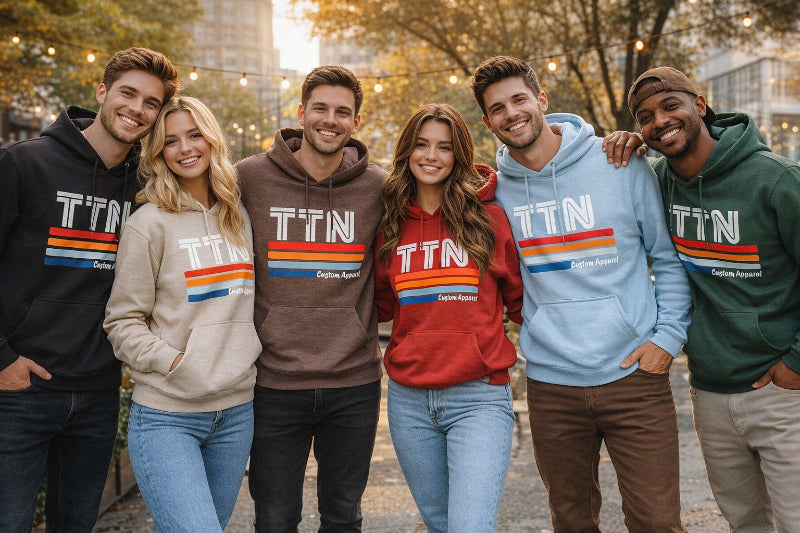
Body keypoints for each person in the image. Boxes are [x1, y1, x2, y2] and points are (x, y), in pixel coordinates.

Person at [470, 55, 693, 533]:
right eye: (497, 108)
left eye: (519, 99)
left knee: (657, 523)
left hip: (635, 376)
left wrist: (667, 339)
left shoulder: (619, 163)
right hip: (551, 385)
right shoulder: (495, 192)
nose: (511, 114)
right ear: (487, 122)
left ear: (541, 100)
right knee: (571, 522)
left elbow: (667, 256)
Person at [603, 66, 800, 533]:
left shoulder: (776, 179)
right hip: (709, 390)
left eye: (670, 106)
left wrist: (797, 361)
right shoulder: (655, 182)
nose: (660, 121)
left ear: (700, 105)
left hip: (782, 389)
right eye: (645, 117)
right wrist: (618, 145)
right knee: (744, 523)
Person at [0, 47, 179, 532]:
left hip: (99, 393)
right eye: (128, 94)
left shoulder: (148, 187)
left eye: (151, 103)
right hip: (20, 390)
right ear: (102, 92)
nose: (136, 109)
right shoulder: (23, 164)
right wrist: (2, 360)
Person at [235, 65, 386, 532]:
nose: (330, 120)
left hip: (354, 383)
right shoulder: (248, 178)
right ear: (301, 114)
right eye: (320, 108)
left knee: (343, 517)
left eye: (343, 112)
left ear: (355, 122)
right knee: (275, 519)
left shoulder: (378, 187)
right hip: (273, 383)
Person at [103, 96, 260, 532]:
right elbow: (122, 321)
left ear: (211, 140)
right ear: (158, 153)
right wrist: (176, 363)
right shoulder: (147, 224)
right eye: (171, 141)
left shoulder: (239, 215)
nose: (185, 148)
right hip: (167, 417)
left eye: (194, 135)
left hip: (236, 414)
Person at [374, 103, 523, 533]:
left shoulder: (489, 219)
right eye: (421, 145)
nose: (431, 156)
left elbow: (520, 303)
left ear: (459, 155)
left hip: (478, 397)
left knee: (469, 525)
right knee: (439, 524)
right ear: (407, 151)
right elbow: (380, 306)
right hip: (409, 402)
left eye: (444, 147)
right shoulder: (389, 226)